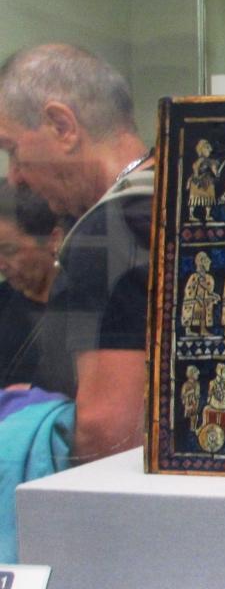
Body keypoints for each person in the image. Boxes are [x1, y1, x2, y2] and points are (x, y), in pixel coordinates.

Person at [0, 43, 154, 463]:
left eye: (13, 150)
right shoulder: (184, 199)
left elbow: (110, 431)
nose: (15, 177)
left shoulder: (107, 233)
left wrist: (35, 422)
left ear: (62, 126)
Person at [0, 180, 64, 388]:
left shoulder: (83, 305)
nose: (1, 265)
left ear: (53, 239)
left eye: (9, 251)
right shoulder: (4, 302)